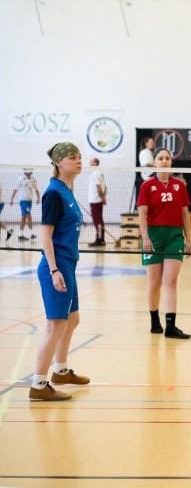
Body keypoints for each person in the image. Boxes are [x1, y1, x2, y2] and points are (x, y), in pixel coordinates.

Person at [30, 142, 90, 401]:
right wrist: (54, 270)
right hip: (57, 265)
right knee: (55, 325)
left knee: (72, 319)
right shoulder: (54, 193)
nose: (78, 161)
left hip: (69, 264)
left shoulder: (67, 189)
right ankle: (39, 385)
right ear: (58, 162)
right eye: (72, 157)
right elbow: (46, 236)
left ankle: (61, 370)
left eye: (79, 156)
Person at [137, 148, 191, 339]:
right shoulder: (147, 186)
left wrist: (189, 239)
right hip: (153, 235)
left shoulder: (180, 185)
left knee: (171, 280)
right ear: (154, 162)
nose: (164, 161)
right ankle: (154, 320)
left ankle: (171, 326)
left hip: (174, 236)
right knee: (154, 282)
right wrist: (145, 238)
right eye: (160, 158)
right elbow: (142, 214)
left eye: (167, 158)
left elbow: (185, 214)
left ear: (171, 162)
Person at [9, 168, 40, 240]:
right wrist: (11, 199)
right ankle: (28, 234)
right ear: (25, 173)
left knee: (25, 216)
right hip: (23, 200)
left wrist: (38, 198)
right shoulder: (21, 179)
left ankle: (22, 235)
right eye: (28, 172)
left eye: (30, 172)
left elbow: (36, 189)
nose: (30, 173)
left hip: (29, 201)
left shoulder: (33, 179)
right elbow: (15, 189)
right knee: (28, 216)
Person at [87, 157, 107, 247]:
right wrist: (103, 197)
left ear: (95, 163)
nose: (89, 162)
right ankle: (101, 239)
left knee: (97, 221)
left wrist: (102, 197)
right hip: (98, 200)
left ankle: (98, 240)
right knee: (100, 220)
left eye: (91, 161)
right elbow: (105, 186)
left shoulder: (96, 173)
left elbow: (99, 187)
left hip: (95, 200)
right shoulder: (100, 173)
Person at [135, 137, 155, 210]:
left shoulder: (150, 152)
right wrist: (156, 165)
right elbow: (147, 164)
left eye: (153, 142)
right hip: (148, 176)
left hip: (151, 175)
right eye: (150, 142)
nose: (152, 144)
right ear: (146, 143)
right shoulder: (144, 152)